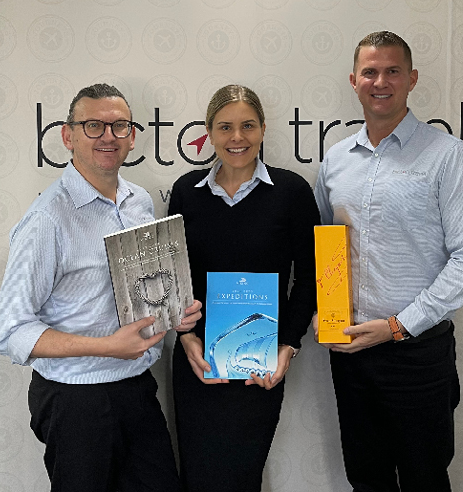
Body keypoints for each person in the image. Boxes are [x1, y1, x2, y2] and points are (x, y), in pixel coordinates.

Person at [0, 83, 202, 492]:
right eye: (93, 126)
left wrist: (172, 313)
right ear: (68, 136)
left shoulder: (139, 201)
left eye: (119, 126)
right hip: (76, 401)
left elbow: (137, 292)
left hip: (137, 387)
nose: (108, 136)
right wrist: (108, 346)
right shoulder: (47, 219)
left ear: (132, 137)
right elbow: (10, 330)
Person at [314, 31, 463, 491]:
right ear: (354, 81)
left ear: (411, 79)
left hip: (417, 355)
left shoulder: (448, 157)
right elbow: (328, 249)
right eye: (370, 72)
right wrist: (323, 309)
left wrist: (398, 326)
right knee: (365, 477)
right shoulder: (335, 161)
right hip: (351, 351)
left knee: (423, 479)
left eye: (392, 71)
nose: (381, 82)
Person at [168, 84, 320, 492]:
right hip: (198, 363)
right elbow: (174, 278)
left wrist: (288, 346)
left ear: (264, 129)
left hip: (260, 364)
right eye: (225, 127)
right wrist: (186, 339)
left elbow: (310, 278)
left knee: (242, 476)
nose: (237, 137)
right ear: (209, 133)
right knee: (197, 476)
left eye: (248, 126)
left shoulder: (291, 192)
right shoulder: (186, 192)